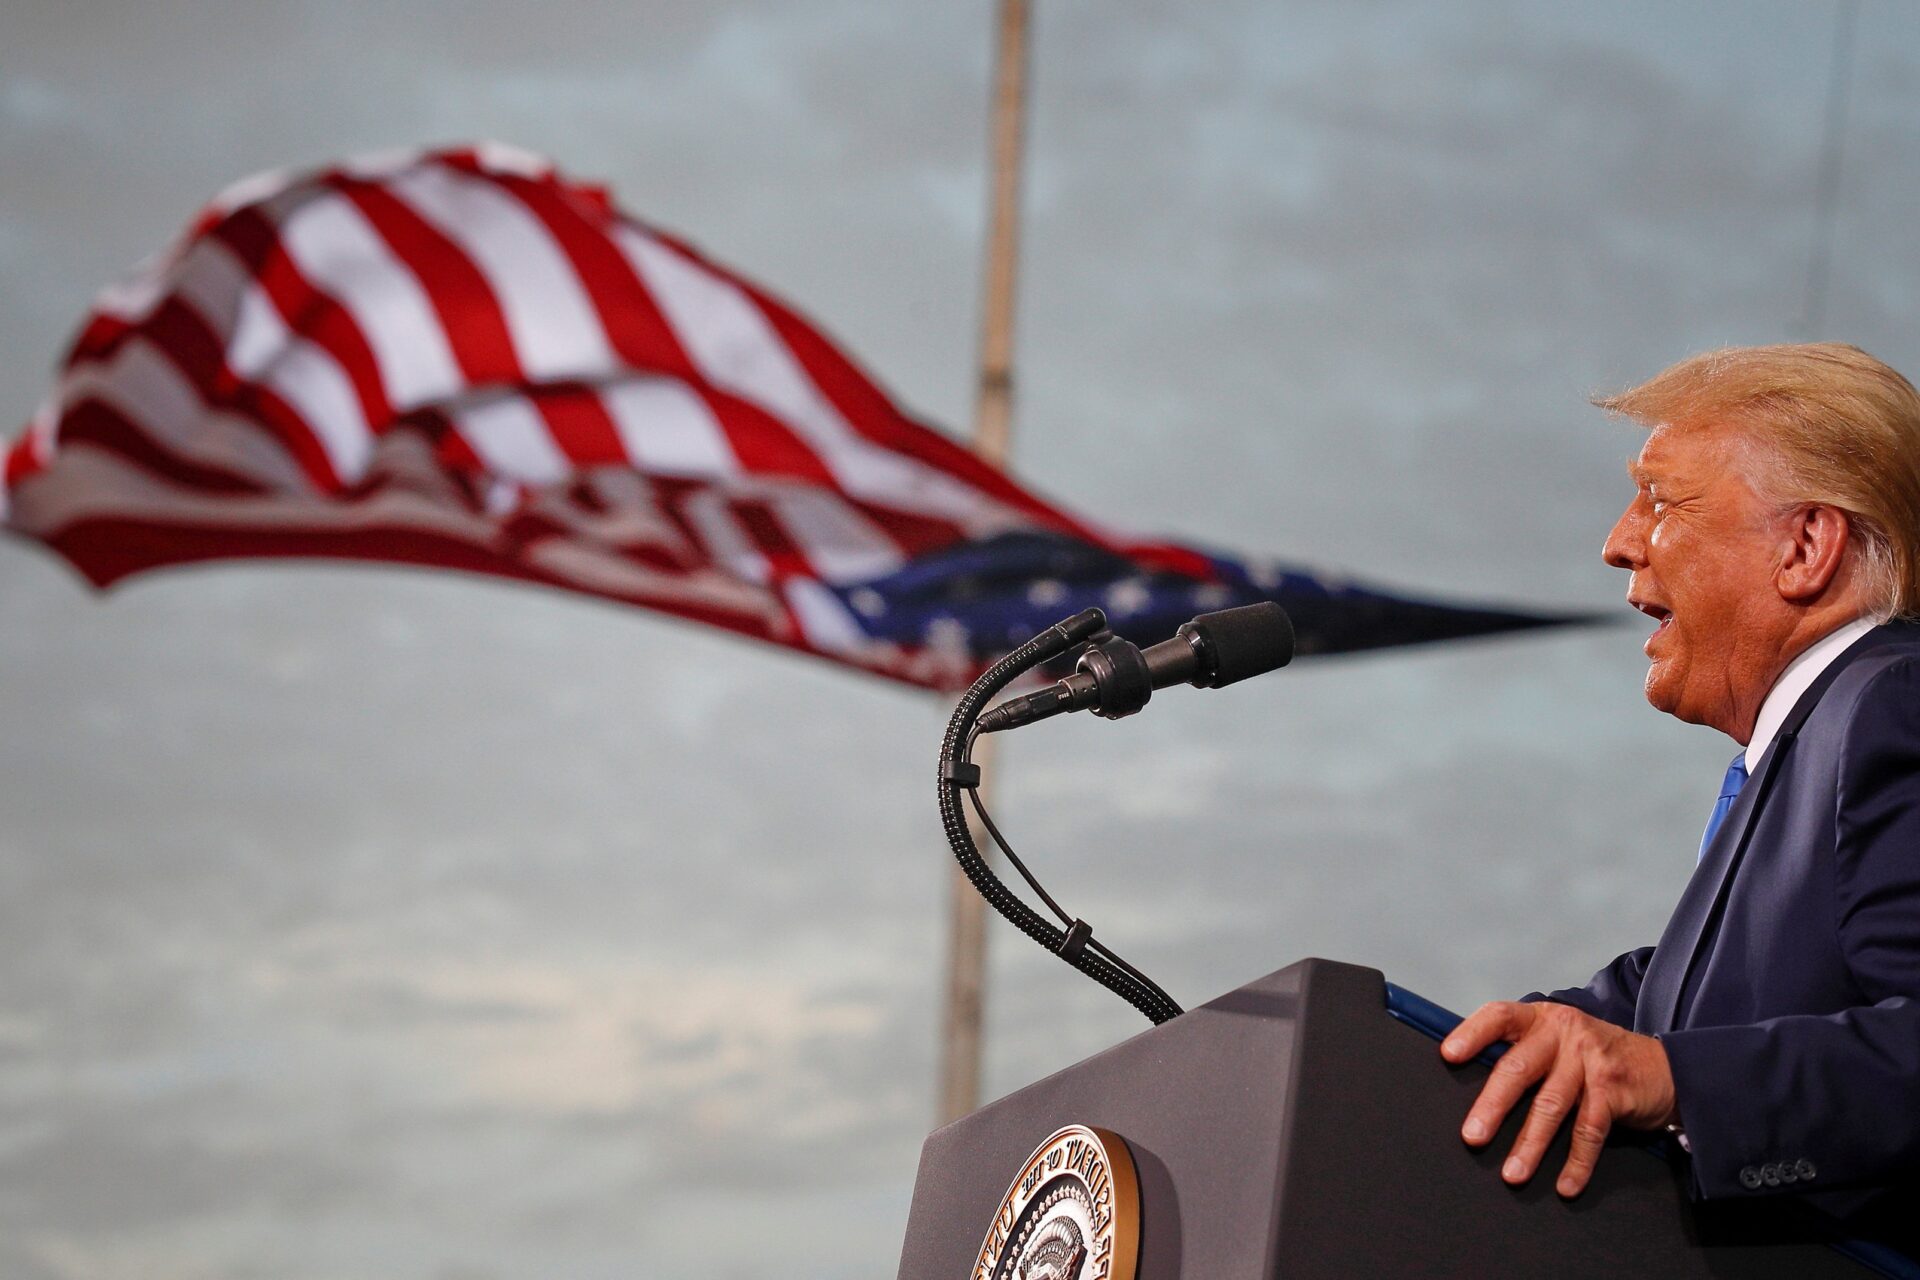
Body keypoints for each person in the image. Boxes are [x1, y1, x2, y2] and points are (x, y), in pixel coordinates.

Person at [1441, 343, 1920, 1234]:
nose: (1619, 543)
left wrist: (1670, 1083)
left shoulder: (1891, 702)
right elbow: (1663, 1002)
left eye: (1661, 499)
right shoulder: (1804, 756)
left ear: (1806, 546)